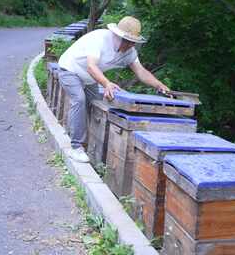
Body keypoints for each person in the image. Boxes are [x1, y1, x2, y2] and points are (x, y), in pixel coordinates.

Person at [57, 16, 170, 162]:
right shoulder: (99, 39)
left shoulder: (130, 52)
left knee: (97, 104)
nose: (129, 45)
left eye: (132, 42)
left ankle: (87, 140)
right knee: (79, 99)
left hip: (89, 78)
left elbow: (141, 72)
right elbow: (91, 66)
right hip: (70, 69)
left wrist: (159, 85)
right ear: (117, 35)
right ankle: (76, 147)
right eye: (127, 40)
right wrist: (106, 83)